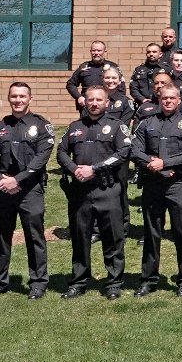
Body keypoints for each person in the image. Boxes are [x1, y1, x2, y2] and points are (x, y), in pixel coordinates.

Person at [0, 82, 54, 300]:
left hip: (30, 191)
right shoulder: (0, 126)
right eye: (14, 96)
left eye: (22, 96)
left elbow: (40, 160)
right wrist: (0, 179)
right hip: (2, 191)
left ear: (30, 99)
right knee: (1, 237)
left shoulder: (42, 126)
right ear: (9, 99)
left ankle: (38, 283)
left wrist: (16, 180)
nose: (18, 100)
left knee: (34, 237)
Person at [57, 86, 131, 299]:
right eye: (91, 99)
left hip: (107, 190)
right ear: (85, 102)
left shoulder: (117, 127)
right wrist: (74, 169)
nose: (95, 103)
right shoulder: (74, 127)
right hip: (80, 192)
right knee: (80, 238)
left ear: (107, 103)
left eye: (99, 99)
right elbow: (61, 152)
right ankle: (78, 282)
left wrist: (95, 169)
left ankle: (114, 283)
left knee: (112, 239)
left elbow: (124, 152)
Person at [129, 85, 182, 297]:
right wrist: (153, 163)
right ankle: (148, 279)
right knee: (151, 234)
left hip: (179, 185)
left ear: (179, 100)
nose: (168, 101)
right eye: (164, 98)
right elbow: (134, 150)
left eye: (172, 98)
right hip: (153, 184)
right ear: (158, 100)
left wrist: (166, 163)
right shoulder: (147, 122)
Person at [67, 40, 120, 109]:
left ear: (105, 52)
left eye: (99, 50)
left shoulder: (113, 67)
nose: (96, 53)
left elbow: (121, 87)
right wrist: (79, 97)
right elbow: (70, 84)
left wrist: (115, 103)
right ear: (90, 51)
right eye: (93, 50)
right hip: (87, 106)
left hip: (107, 106)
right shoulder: (83, 67)